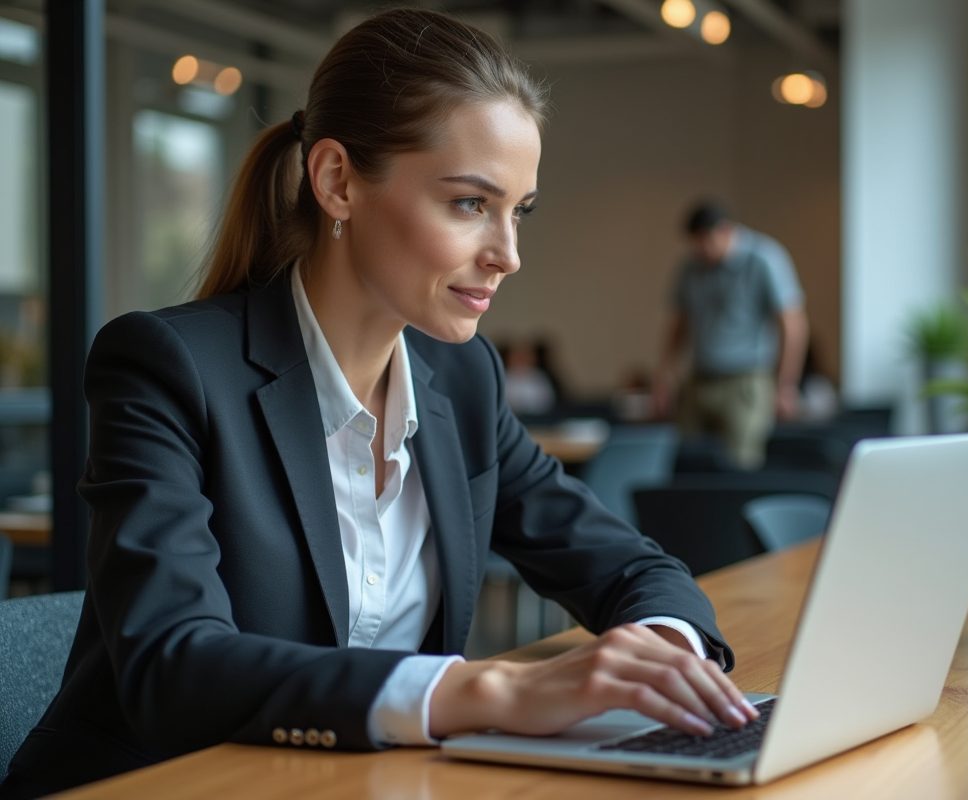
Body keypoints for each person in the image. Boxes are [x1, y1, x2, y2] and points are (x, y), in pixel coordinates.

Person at [0, 11, 755, 799]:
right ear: (337, 182)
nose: (509, 254)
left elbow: (633, 567)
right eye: (470, 203)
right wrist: (490, 693)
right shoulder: (168, 367)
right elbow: (173, 666)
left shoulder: (462, 381)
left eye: (519, 210)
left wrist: (661, 655)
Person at [653, 202, 808, 469]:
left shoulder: (764, 258)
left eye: (706, 242)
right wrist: (665, 375)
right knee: (686, 465)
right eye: (695, 243)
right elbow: (680, 325)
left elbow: (792, 324)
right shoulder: (691, 267)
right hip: (698, 379)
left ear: (725, 232)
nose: (700, 250)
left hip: (745, 382)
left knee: (740, 466)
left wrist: (786, 385)